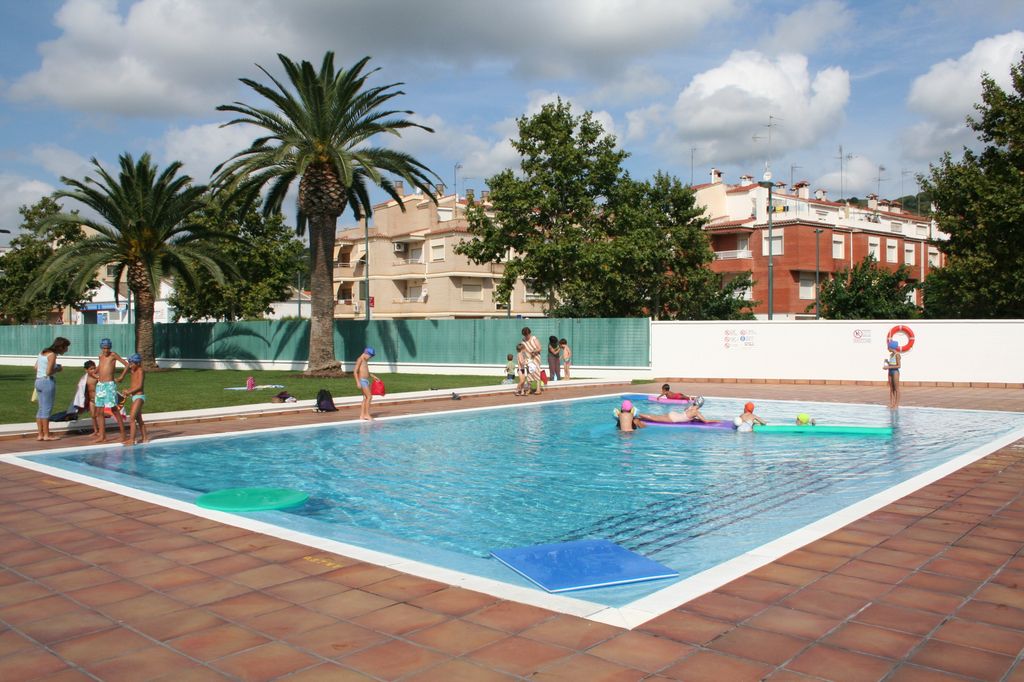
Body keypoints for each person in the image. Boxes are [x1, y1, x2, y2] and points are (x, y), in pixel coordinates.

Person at [90, 338, 129, 444]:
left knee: (114, 410)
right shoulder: (101, 356)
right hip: (100, 386)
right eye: (104, 348)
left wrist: (121, 377)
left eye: (107, 348)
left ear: (110, 348)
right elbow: (100, 366)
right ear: (101, 348)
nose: (106, 350)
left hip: (109, 386)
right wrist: (94, 372)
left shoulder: (113, 355)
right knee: (99, 411)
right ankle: (102, 436)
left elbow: (127, 364)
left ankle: (123, 435)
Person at [34, 336, 70, 441]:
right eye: (66, 347)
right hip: (47, 382)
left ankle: (40, 434)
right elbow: (49, 372)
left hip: (38, 381)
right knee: (46, 409)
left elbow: (36, 367)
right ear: (61, 347)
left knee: (41, 409)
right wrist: (58, 368)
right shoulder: (52, 355)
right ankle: (47, 435)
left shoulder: (42, 352)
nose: (67, 350)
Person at [122, 354, 148, 446]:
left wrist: (128, 392)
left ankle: (131, 440)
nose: (130, 365)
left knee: (132, 418)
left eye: (132, 363)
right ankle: (145, 438)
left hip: (139, 397)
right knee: (139, 419)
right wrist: (121, 377)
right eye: (129, 363)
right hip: (134, 397)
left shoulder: (140, 371)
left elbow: (139, 386)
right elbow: (127, 367)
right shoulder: (133, 370)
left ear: (138, 363)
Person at [638, 397, 711, 424]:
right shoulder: (696, 412)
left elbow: (686, 412)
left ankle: (639, 417)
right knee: (654, 418)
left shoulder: (691, 407)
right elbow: (706, 421)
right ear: (701, 405)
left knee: (655, 416)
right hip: (673, 418)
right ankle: (637, 413)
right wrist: (717, 421)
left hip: (674, 414)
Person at [354, 347, 379, 420]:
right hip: (362, 381)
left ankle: (362, 415)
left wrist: (373, 376)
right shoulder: (360, 359)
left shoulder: (365, 360)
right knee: (369, 397)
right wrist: (358, 382)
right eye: (370, 356)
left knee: (365, 398)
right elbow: (355, 371)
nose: (370, 358)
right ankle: (367, 414)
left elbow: (365, 371)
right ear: (365, 353)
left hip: (366, 380)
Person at [884, 339, 901, 409]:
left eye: (888, 347)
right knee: (891, 389)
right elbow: (892, 364)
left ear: (891, 347)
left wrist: (888, 366)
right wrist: (888, 362)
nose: (887, 349)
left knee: (896, 389)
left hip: (895, 372)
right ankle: (891, 403)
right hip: (890, 371)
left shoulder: (897, 355)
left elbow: (899, 366)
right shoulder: (891, 355)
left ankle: (896, 404)